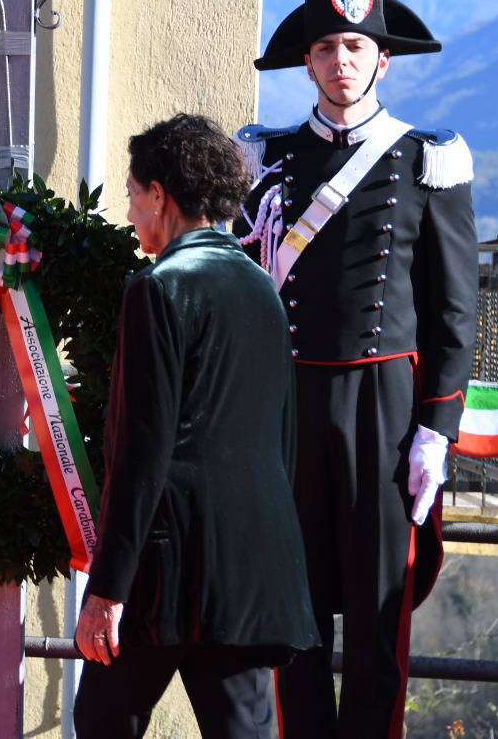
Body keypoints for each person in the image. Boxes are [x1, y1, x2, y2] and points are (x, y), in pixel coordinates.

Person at [236, 0, 477, 739]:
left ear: (385, 61)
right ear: (307, 61)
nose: (343, 61)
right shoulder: (265, 157)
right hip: (290, 402)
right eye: (328, 47)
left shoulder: (427, 159)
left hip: (386, 404)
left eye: (358, 47)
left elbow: (455, 308)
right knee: (292, 607)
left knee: (380, 614)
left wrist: (436, 431)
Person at [74, 113, 318, 739]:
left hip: (168, 566)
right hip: (254, 563)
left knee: (103, 717)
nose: (130, 213)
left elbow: (142, 450)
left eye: (132, 195)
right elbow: (281, 438)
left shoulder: (157, 288)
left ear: (160, 194)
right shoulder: (264, 287)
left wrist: (107, 588)